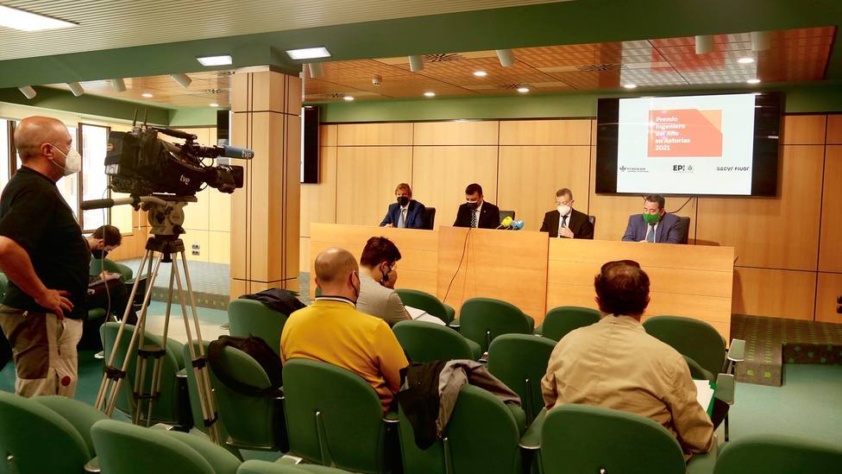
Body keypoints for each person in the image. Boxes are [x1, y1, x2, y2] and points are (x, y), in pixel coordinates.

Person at [541, 260, 715, 457]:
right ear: (646, 302)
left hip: (571, 458)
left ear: (598, 301)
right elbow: (699, 438)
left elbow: (550, 398)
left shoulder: (567, 343)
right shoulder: (669, 360)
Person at [0, 116, 90, 398]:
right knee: (45, 401)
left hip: (43, 317)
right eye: (69, 144)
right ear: (48, 150)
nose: (74, 152)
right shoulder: (35, 190)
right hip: (42, 316)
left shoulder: (28, 185)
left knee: (45, 395)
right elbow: (5, 247)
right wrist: (41, 293)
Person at [281, 247, 409, 412]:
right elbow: (404, 384)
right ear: (354, 278)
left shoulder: (292, 321)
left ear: (316, 282)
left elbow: (289, 373)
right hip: (365, 426)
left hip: (310, 419)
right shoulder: (375, 329)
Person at [84, 225, 138, 351]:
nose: (106, 253)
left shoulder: (82, 245)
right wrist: (98, 279)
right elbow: (79, 280)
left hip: (79, 290)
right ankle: (134, 330)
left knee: (114, 288)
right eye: (108, 249)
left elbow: (81, 275)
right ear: (101, 243)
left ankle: (126, 330)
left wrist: (98, 277)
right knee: (117, 288)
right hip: (77, 296)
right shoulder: (83, 251)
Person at [356, 236, 411, 327]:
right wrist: (390, 288)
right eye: (392, 266)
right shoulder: (387, 296)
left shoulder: (341, 281)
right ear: (384, 266)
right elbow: (409, 328)